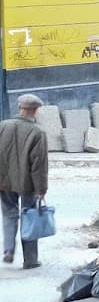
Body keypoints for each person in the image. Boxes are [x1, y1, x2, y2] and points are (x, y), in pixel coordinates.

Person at [0, 94, 49, 269]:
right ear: (34, 110)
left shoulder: (2, 126)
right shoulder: (37, 132)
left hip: (4, 182)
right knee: (29, 217)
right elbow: (39, 164)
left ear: (19, 108)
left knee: (8, 214)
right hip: (28, 184)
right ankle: (30, 260)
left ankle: (8, 250)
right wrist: (41, 188)